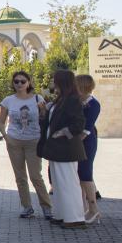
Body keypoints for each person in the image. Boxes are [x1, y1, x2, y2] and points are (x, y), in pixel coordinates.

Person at [0, 70, 53, 220]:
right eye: (16, 81)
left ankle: (47, 207)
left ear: (29, 83)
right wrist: (7, 138)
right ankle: (27, 207)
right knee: (20, 176)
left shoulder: (37, 98)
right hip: (14, 141)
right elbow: (1, 121)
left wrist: (42, 111)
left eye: (23, 81)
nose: (19, 84)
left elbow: (44, 118)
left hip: (33, 141)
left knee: (35, 176)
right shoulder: (8, 100)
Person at [42, 69, 87, 230]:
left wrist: (62, 133)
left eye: (55, 80)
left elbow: (79, 123)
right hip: (56, 148)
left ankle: (75, 218)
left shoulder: (72, 100)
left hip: (66, 149)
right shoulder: (61, 99)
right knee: (59, 183)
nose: (53, 84)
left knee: (68, 182)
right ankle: (62, 215)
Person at [76, 74, 101, 223]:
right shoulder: (78, 102)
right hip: (78, 141)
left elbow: (87, 128)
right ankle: (84, 208)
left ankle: (94, 209)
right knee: (79, 175)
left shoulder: (93, 104)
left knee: (86, 174)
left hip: (86, 141)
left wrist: (74, 143)